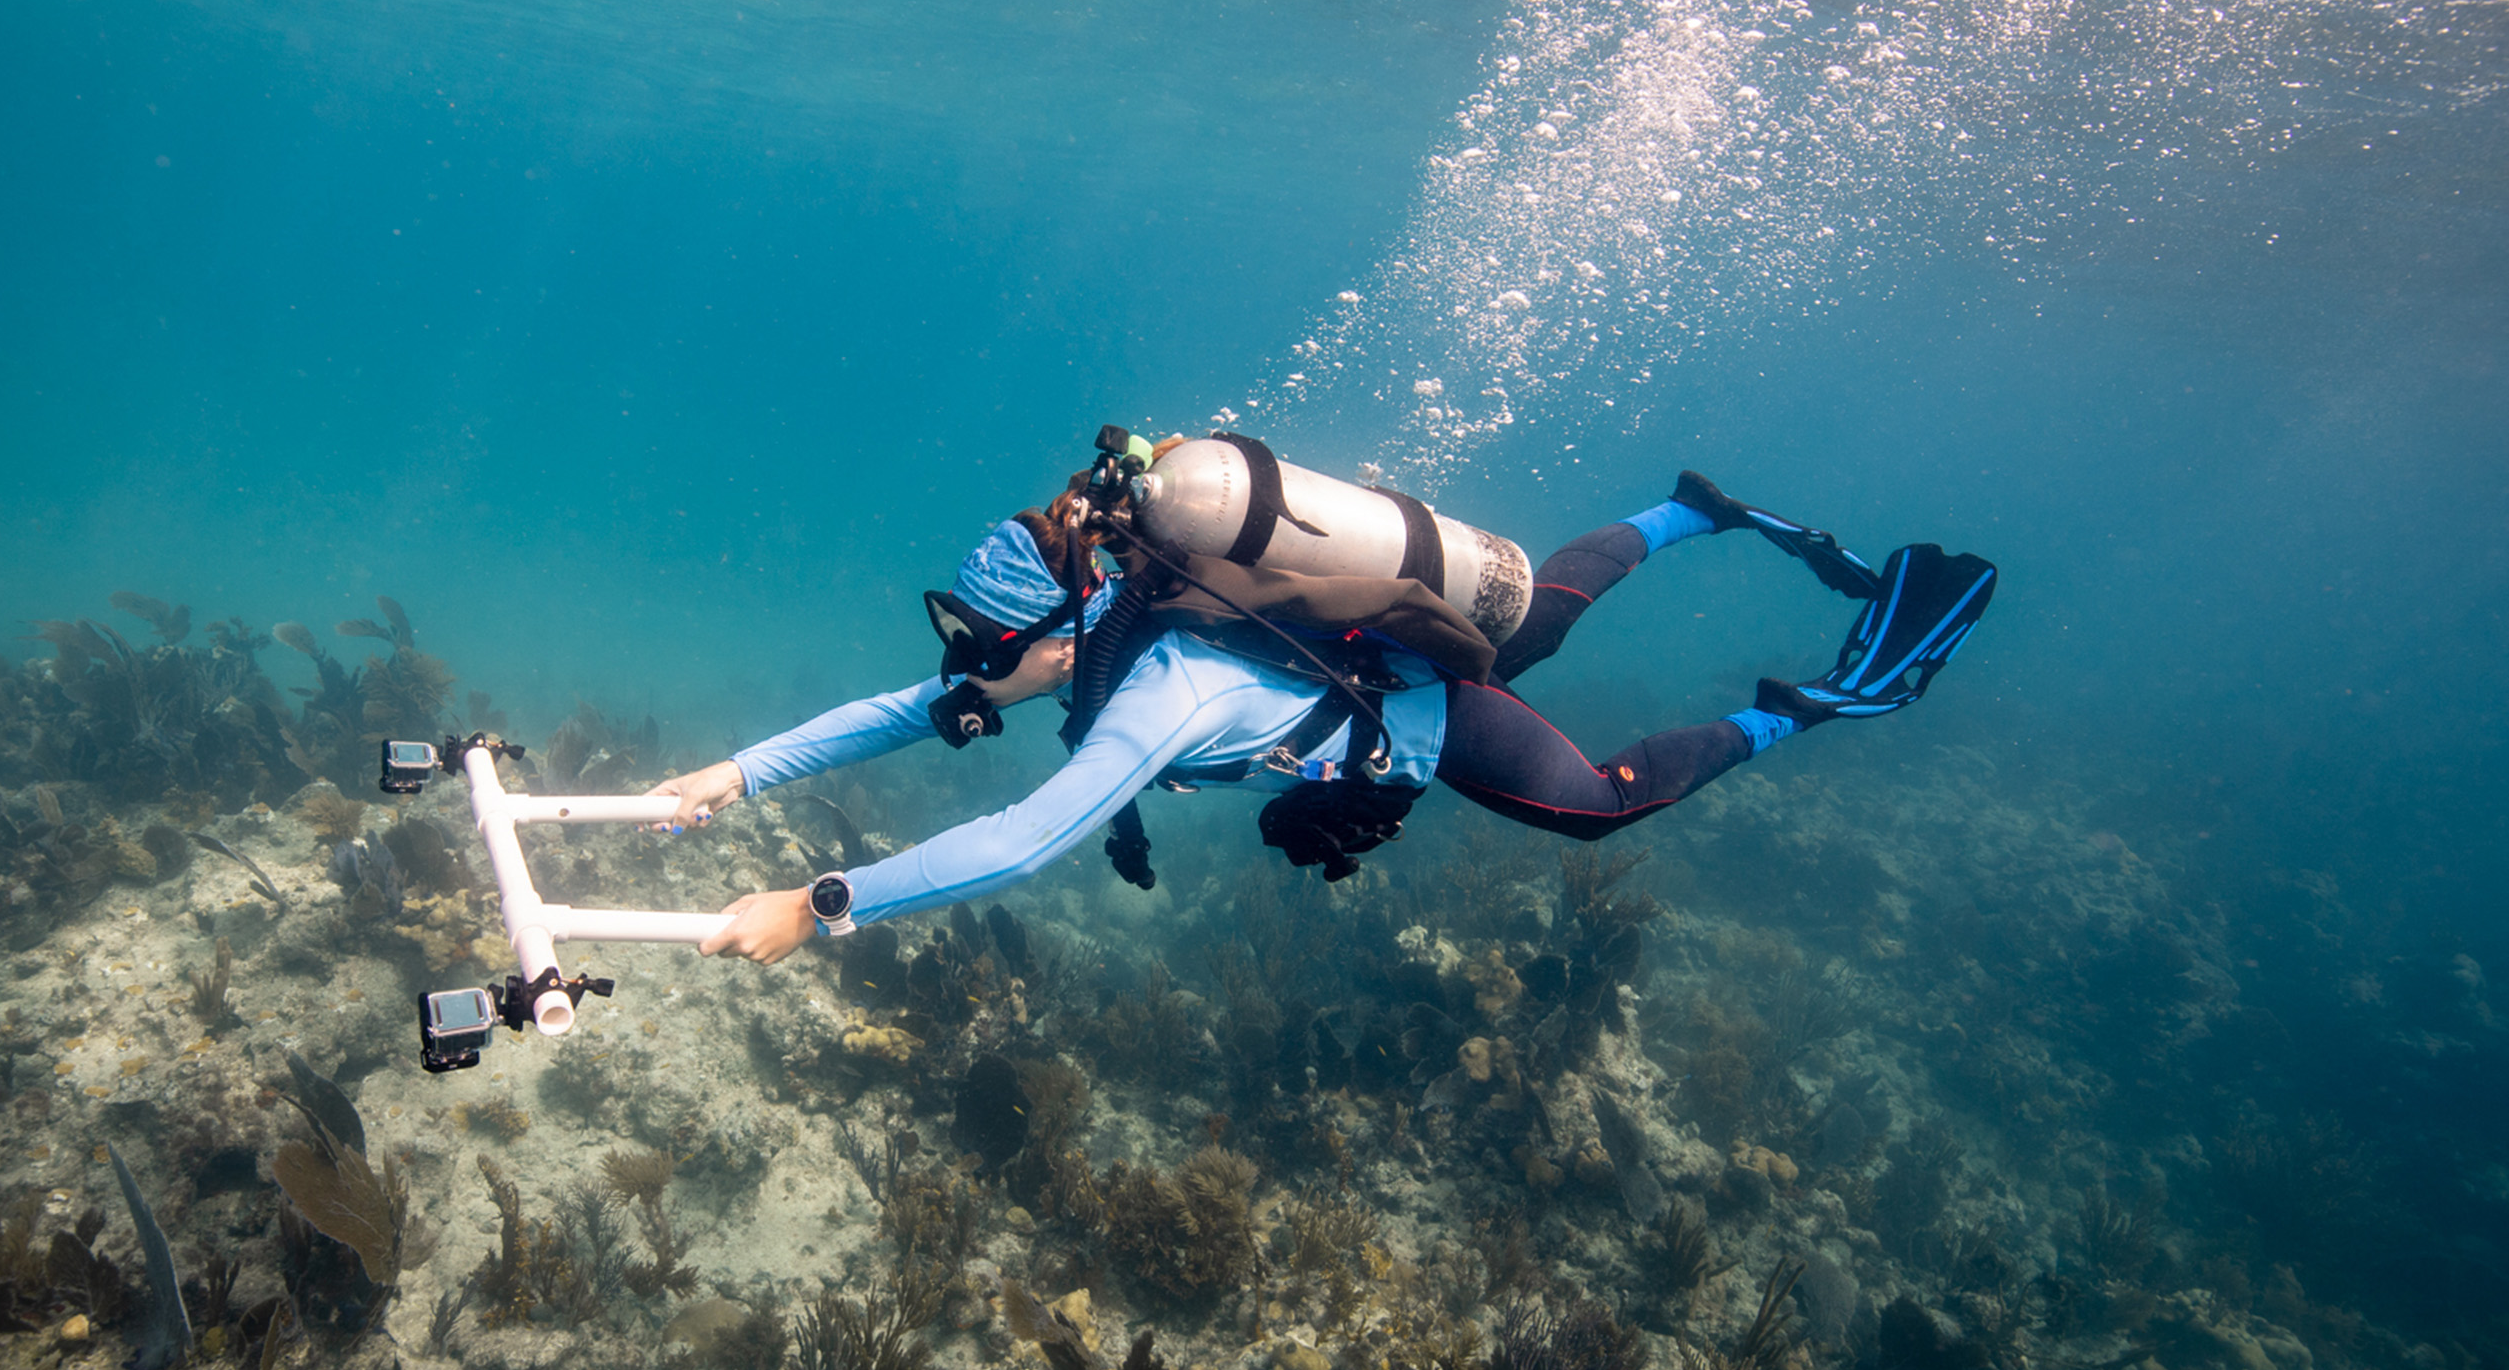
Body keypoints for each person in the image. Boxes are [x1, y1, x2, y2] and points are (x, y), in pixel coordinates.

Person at [648, 451, 1995, 964]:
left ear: (1054, 636)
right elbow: (912, 706)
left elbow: (1020, 840)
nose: (969, 673)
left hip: (1417, 717)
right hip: (1378, 642)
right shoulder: (1122, 617)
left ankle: (1799, 706)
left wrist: (816, 907)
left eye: (987, 649)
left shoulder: (1155, 691)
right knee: (1551, 609)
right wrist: (736, 772)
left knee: (1594, 806)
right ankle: (1686, 512)